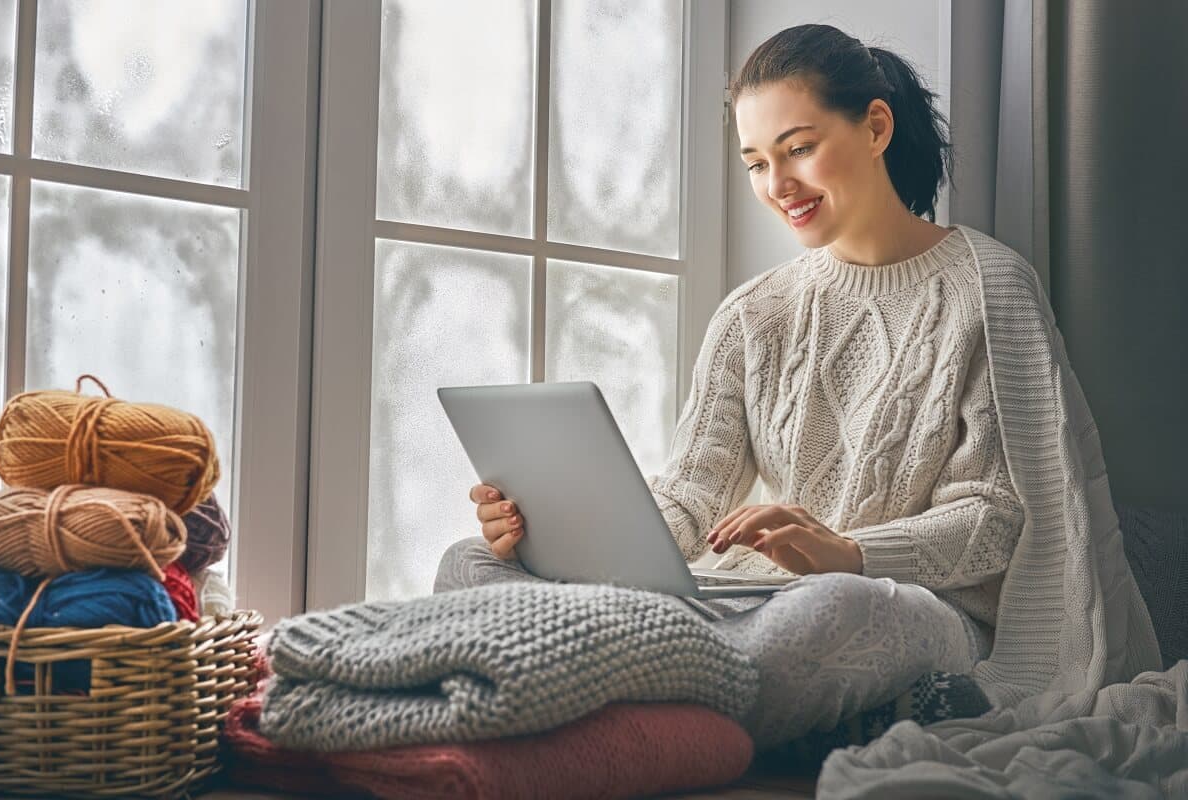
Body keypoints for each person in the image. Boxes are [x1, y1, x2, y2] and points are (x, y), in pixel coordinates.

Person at [434, 24, 1033, 754]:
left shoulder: (989, 286)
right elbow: (691, 494)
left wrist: (851, 552)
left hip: (897, 606)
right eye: (756, 162)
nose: (777, 187)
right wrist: (548, 537)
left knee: (831, 615)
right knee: (467, 562)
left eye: (799, 149)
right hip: (743, 601)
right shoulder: (754, 312)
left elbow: (997, 519)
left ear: (876, 126)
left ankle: (589, 704)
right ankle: (672, 705)